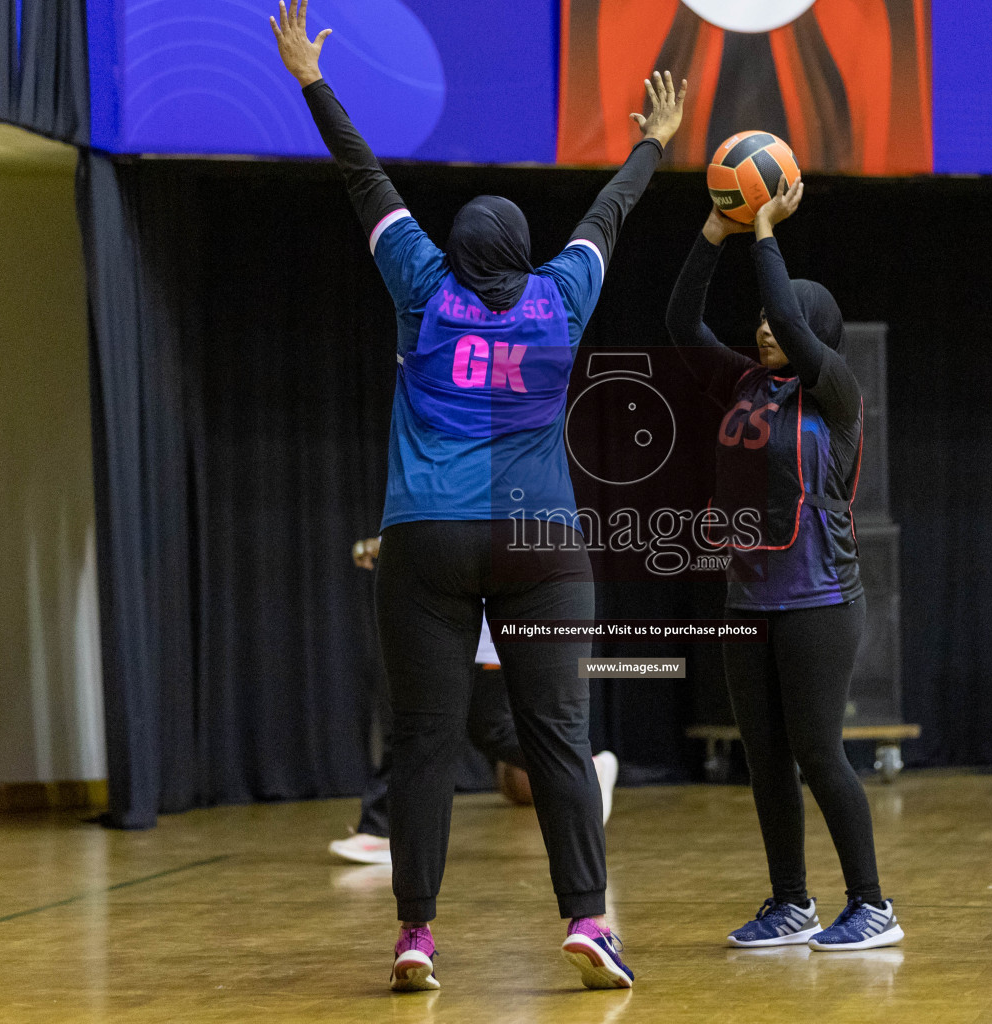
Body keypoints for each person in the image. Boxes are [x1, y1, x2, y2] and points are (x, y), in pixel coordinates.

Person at [270, 0, 684, 991]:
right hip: (542, 543)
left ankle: (415, 933)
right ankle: (587, 918)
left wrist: (311, 80)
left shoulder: (420, 282)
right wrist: (652, 146)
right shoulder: (561, 296)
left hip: (427, 540)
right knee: (559, 737)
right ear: (520, 251)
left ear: (457, 250)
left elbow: (365, 179)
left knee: (421, 738)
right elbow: (607, 215)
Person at [664, 180, 900, 951]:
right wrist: (713, 230)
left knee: (816, 753)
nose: (766, 326)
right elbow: (678, 322)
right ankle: (790, 902)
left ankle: (872, 906)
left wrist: (763, 228)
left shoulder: (834, 389)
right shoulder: (744, 383)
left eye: (780, 318)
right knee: (763, 758)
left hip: (820, 598)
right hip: (749, 598)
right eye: (761, 317)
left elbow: (796, 326)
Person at [329, 538, 620, 866]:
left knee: (482, 727)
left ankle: (584, 766)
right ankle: (383, 832)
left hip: (485, 628)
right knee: (430, 722)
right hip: (446, 621)